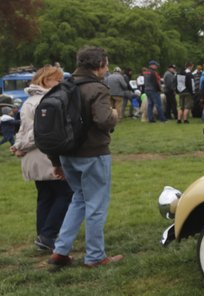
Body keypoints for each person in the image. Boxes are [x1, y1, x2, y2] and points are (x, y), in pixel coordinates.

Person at [47, 46, 122, 268]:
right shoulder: (97, 88)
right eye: (106, 64)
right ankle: (95, 256)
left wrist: (55, 161)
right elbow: (103, 120)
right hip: (93, 153)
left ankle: (60, 251)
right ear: (98, 66)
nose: (107, 68)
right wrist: (115, 114)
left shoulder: (64, 86)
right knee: (96, 205)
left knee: (78, 200)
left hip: (67, 154)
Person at [10, 65, 73, 253]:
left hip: (34, 157)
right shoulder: (46, 101)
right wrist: (21, 146)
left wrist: (18, 145)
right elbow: (40, 133)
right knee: (64, 194)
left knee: (45, 197)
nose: (61, 83)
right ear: (46, 80)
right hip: (45, 156)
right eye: (57, 79)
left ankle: (43, 235)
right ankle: (48, 235)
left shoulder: (29, 100)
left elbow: (23, 130)